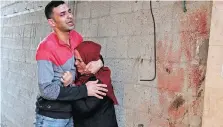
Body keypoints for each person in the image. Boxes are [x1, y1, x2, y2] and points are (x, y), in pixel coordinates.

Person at [35, 1, 107, 127]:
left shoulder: (77, 37)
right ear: (52, 22)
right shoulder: (45, 48)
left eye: (69, 11)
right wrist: (84, 90)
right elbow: (46, 90)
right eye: (62, 14)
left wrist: (100, 62)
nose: (69, 16)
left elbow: (87, 57)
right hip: (51, 117)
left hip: (72, 112)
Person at [64, 41, 119, 127]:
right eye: (75, 59)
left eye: (79, 60)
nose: (75, 63)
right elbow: (96, 57)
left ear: (89, 61)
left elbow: (84, 109)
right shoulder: (84, 76)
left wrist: (70, 87)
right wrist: (100, 62)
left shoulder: (99, 81)